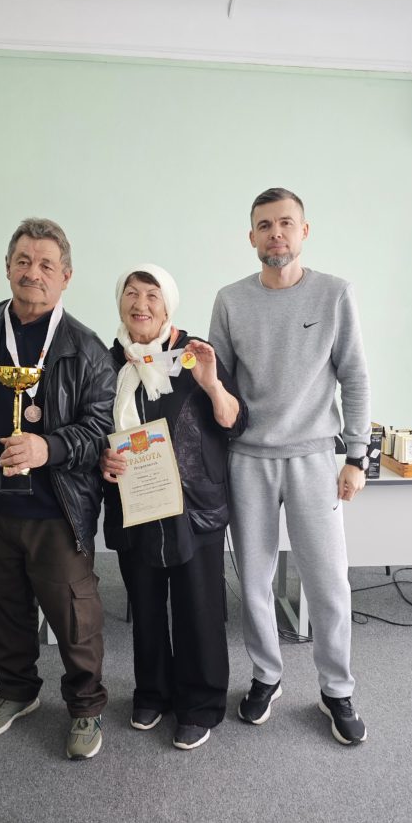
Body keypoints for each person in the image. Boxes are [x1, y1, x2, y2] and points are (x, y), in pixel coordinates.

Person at [0, 218, 117, 760]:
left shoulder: (86, 348)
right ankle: (16, 691)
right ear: (7, 267)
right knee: (2, 606)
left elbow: (99, 429)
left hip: (56, 510)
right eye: (24, 261)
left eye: (46, 265)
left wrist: (46, 448)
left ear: (66, 276)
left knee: (75, 616)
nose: (33, 273)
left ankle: (85, 705)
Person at [209, 188, 370, 745]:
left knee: (328, 582)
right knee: (253, 581)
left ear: (304, 231)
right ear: (251, 236)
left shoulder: (334, 293)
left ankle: (336, 689)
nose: (275, 233)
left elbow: (355, 376)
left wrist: (356, 456)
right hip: (248, 461)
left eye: (285, 223)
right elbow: (217, 387)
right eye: (264, 225)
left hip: (313, 459)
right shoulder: (230, 300)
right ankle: (266, 676)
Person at [101, 265, 247, 750]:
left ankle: (200, 703)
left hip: (195, 507)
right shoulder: (108, 361)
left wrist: (211, 384)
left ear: (168, 304)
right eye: (131, 294)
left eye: (152, 295)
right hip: (135, 502)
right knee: (144, 604)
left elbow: (235, 421)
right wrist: (101, 456)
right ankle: (153, 692)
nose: (141, 304)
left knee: (197, 607)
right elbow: (93, 426)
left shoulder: (195, 353)